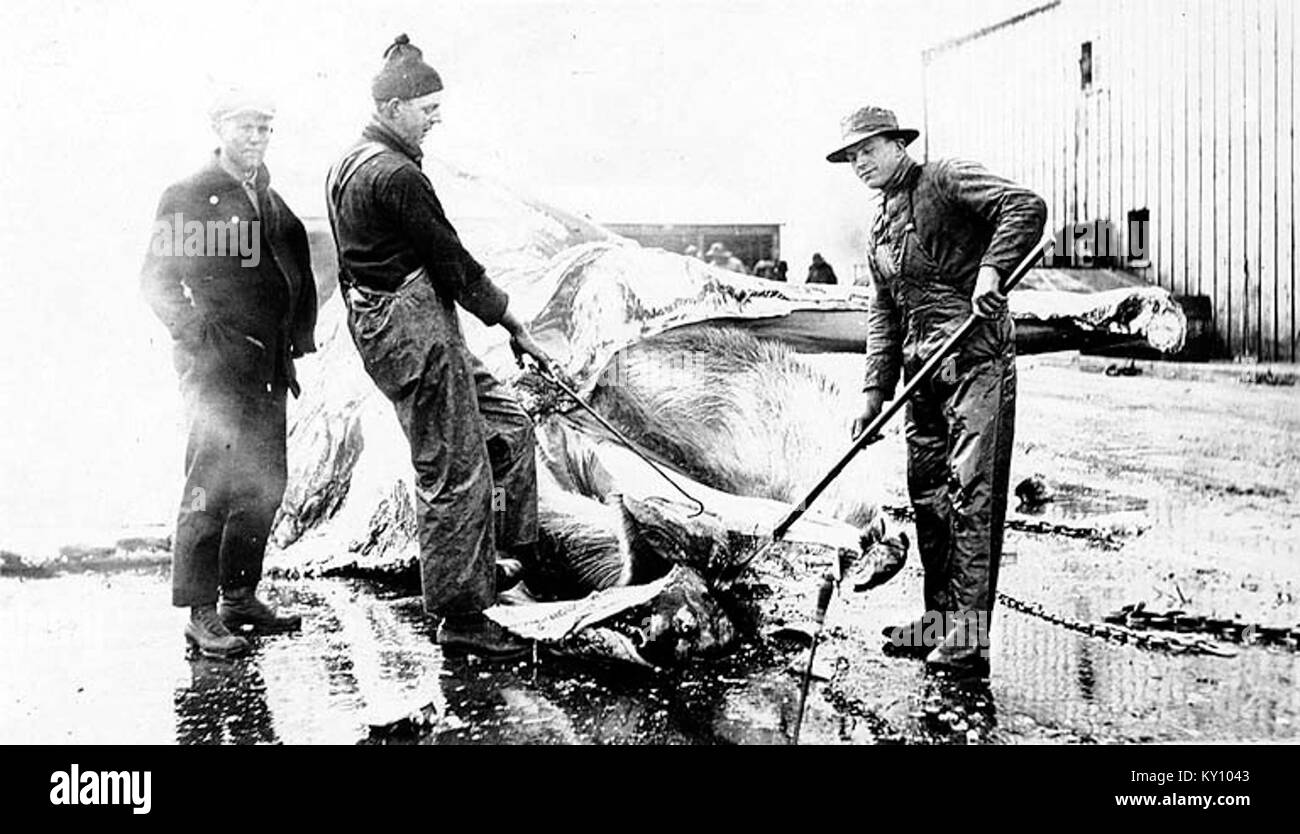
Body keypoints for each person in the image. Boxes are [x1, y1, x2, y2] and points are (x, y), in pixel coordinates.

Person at [325, 34, 552, 659]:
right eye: (427, 110)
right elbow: (453, 262)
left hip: (408, 326)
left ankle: (505, 558)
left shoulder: (352, 159)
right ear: (394, 107)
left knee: (509, 426)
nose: (435, 120)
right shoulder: (393, 173)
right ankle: (461, 616)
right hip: (412, 332)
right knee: (452, 468)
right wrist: (514, 324)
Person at [829, 104, 1046, 678]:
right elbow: (882, 311)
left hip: (975, 361)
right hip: (920, 375)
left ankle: (969, 639)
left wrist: (992, 272)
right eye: (851, 157)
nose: (860, 164)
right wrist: (872, 392)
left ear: (897, 144)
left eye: (868, 150)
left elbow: (1026, 208)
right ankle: (937, 622)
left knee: (972, 498)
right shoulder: (878, 226)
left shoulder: (944, 180)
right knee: (928, 498)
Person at [141, 89, 316, 659]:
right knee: (209, 485)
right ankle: (199, 614)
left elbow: (293, 263)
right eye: (245, 127)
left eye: (265, 128)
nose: (257, 137)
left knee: (264, 483)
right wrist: (197, 335)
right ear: (218, 128)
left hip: (266, 364)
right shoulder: (190, 196)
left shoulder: (269, 198)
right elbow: (159, 281)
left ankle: (239, 596)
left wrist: (296, 336)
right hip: (216, 367)